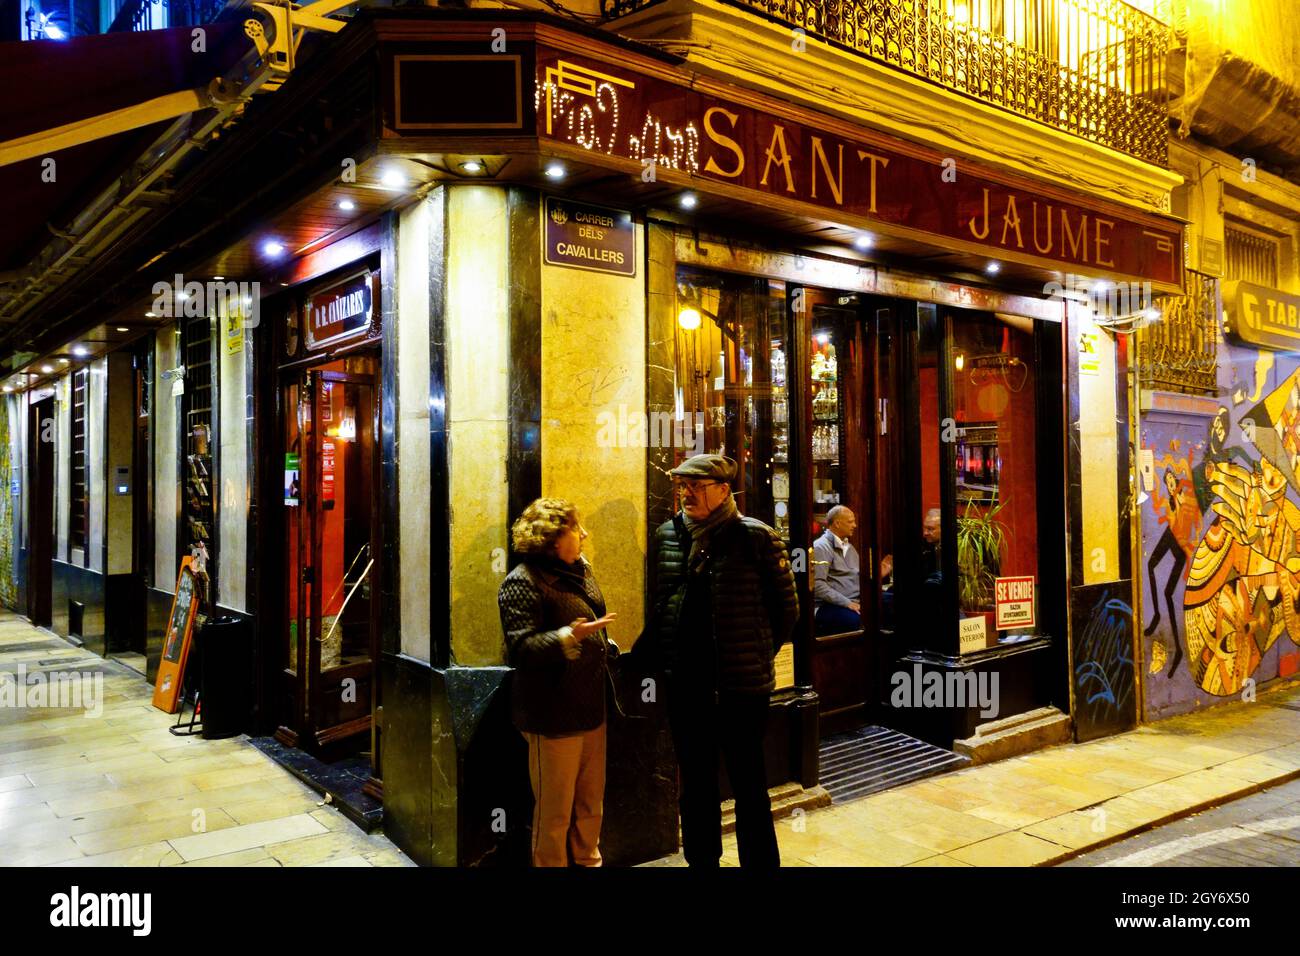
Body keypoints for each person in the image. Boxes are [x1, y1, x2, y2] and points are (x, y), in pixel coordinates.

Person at [638, 454, 798, 867]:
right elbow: (661, 604)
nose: (687, 493)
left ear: (724, 490)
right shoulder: (668, 536)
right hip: (686, 685)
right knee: (696, 784)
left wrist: (755, 653)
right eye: (682, 486)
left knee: (748, 783)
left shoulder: (755, 537)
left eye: (697, 486)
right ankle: (702, 861)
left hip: (741, 687)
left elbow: (787, 612)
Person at [497, 497, 617, 867]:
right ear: (552, 539)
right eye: (574, 529)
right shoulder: (522, 582)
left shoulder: (580, 569)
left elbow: (592, 617)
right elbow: (520, 648)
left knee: (590, 805)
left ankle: (588, 861)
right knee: (554, 815)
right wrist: (567, 637)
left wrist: (601, 642)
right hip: (551, 716)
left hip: (590, 706)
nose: (584, 534)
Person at [813, 505, 861, 634]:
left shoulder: (848, 546)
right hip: (828, 606)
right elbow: (818, 585)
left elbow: (857, 575)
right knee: (854, 620)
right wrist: (847, 603)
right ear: (837, 524)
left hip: (854, 600)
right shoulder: (820, 547)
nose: (855, 525)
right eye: (851, 522)